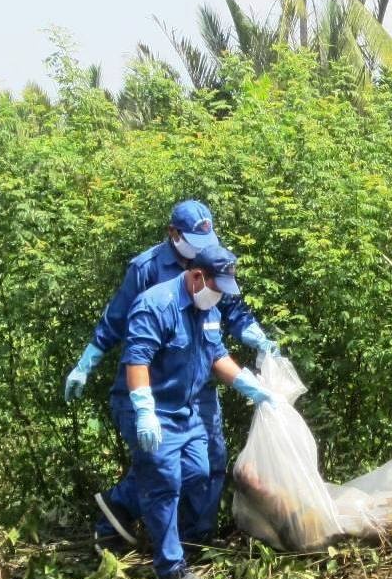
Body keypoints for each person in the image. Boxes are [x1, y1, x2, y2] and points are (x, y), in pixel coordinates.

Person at [64, 199, 277, 545]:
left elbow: (231, 308)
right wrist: (87, 362)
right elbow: (117, 320)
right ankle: (129, 518)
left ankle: (195, 535)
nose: (201, 251)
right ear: (173, 234)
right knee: (163, 467)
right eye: (194, 241)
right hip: (154, 384)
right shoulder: (147, 270)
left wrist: (258, 339)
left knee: (209, 461)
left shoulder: (211, 261)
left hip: (198, 380)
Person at [113, 246, 272, 579]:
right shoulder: (156, 305)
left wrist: (251, 387)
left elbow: (216, 355)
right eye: (218, 288)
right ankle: (169, 567)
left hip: (187, 411)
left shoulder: (208, 308)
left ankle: (173, 538)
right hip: (155, 411)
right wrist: (144, 412)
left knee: (200, 473)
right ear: (198, 276)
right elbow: (137, 361)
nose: (220, 297)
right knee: (164, 484)